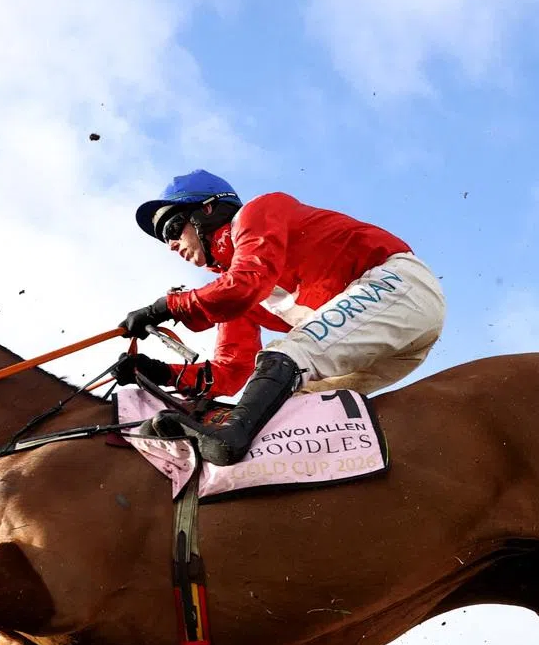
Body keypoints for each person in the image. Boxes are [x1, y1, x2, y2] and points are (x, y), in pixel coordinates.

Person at [116, 170, 446, 466]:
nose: (172, 245)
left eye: (174, 228)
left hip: (400, 288)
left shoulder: (257, 213)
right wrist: (158, 372)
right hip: (391, 344)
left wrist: (166, 307)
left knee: (288, 352)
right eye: (165, 240)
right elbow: (230, 373)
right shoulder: (233, 292)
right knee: (284, 415)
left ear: (208, 210)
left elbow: (244, 285)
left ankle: (229, 440)